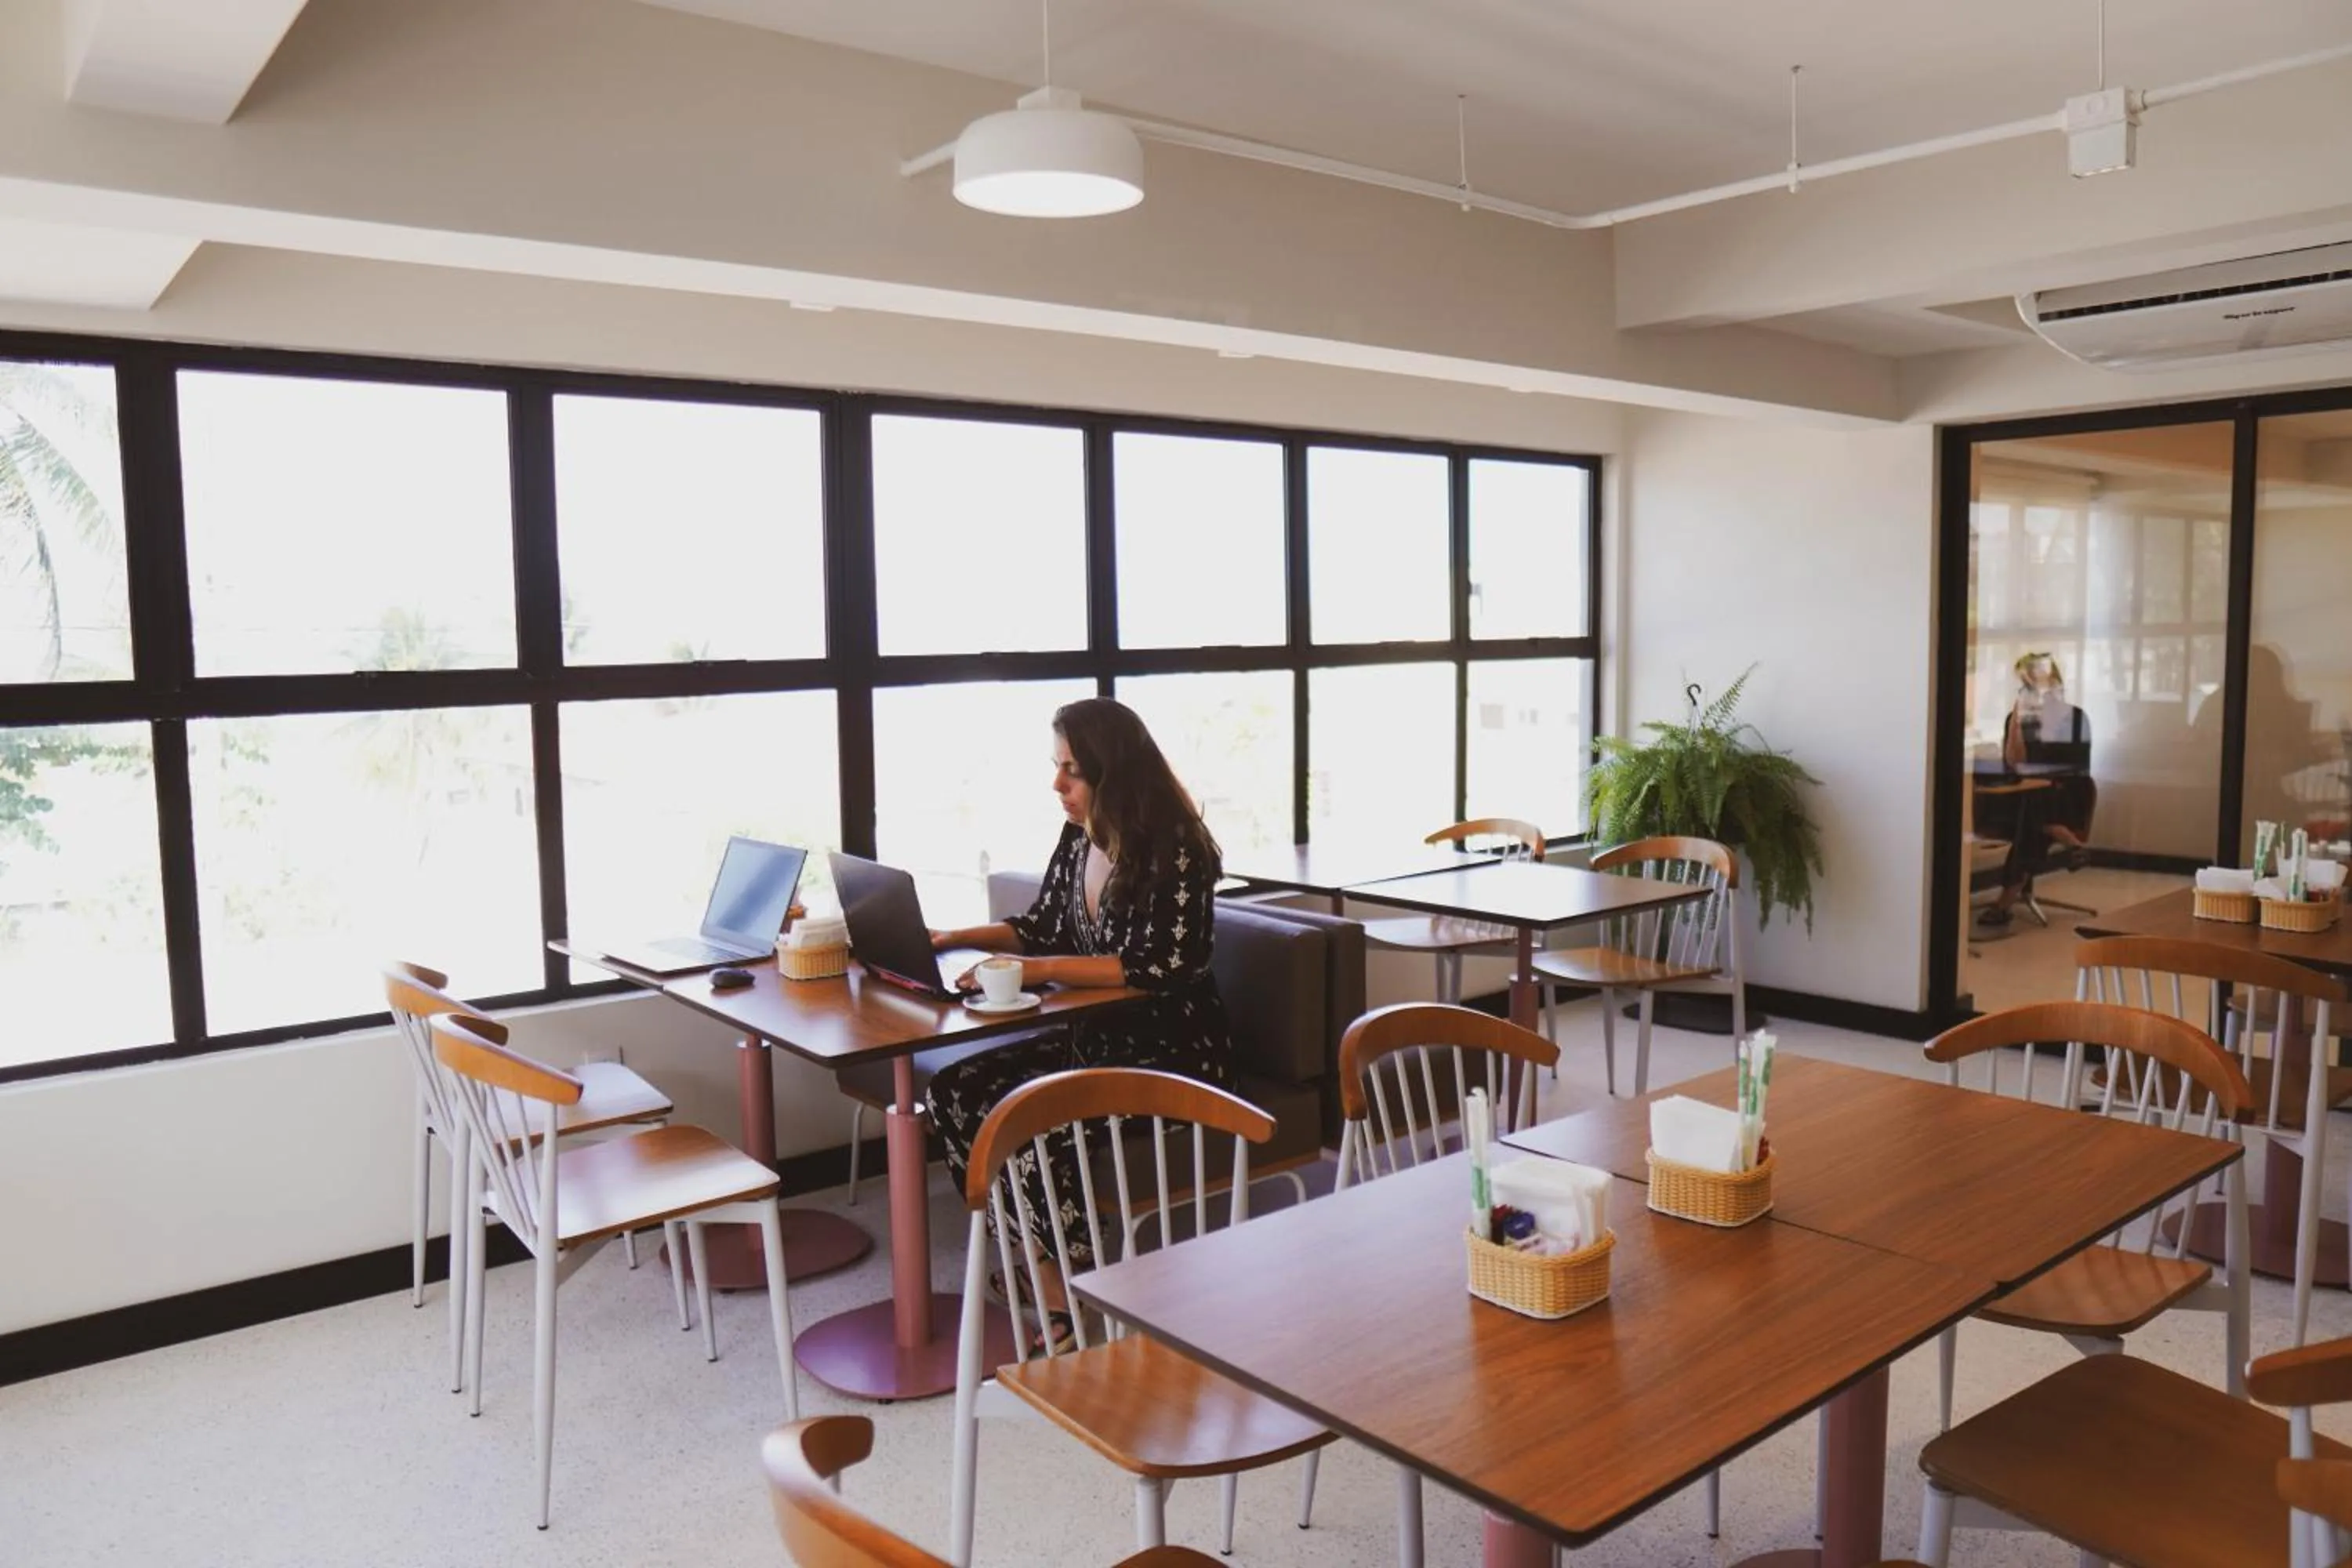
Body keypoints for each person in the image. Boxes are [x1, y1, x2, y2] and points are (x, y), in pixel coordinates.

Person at [925, 697, 1233, 1342]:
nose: (1058, 785)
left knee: (1034, 1123)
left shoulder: (1175, 849)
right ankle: (1051, 1261)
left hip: (1173, 1054)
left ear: (1113, 773)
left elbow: (1162, 966)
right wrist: (950, 936)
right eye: (1057, 766)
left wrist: (1038, 973)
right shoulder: (1080, 835)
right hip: (1095, 1039)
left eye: (1073, 771)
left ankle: (1069, 1287)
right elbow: (1041, 928)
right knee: (954, 1091)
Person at [1977, 652, 2098, 928]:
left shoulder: (2076, 718)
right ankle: (2066, 839)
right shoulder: (2019, 718)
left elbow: (2075, 768)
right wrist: (2017, 721)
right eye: (2025, 685)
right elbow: (2013, 763)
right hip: (2029, 798)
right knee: (2031, 812)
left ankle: (2005, 900)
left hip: (2068, 793)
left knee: (2033, 808)